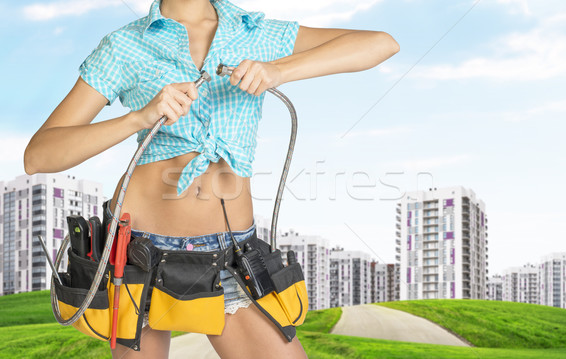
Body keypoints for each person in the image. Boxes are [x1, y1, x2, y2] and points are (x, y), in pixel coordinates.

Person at [24, 0, 399, 358]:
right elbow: (39, 155)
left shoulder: (256, 33)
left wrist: (280, 70)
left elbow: (381, 44)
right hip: (137, 253)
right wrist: (137, 118)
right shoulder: (123, 46)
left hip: (231, 255)